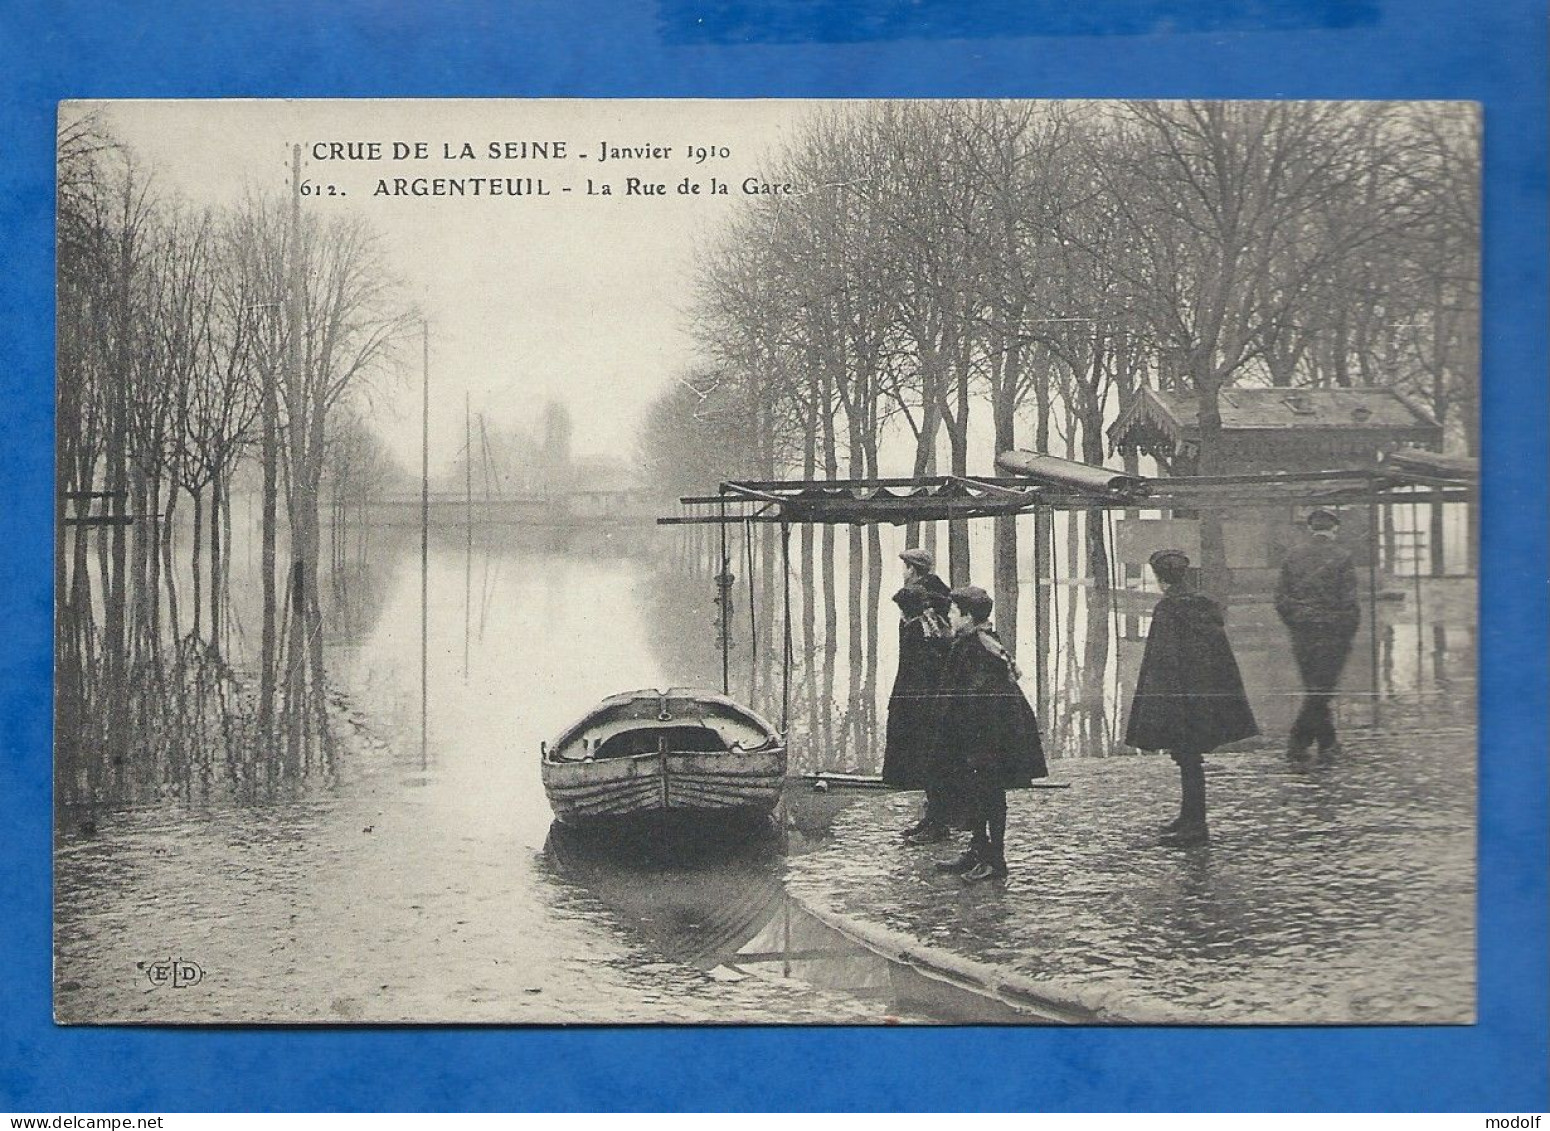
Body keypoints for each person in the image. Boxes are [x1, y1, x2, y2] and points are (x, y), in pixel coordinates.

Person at [1125, 550, 1259, 847]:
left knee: (1187, 759)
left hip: (1179, 699)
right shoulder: (1205, 605)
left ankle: (1196, 825)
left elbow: (1161, 662)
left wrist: (1157, 707)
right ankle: (1190, 816)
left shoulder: (1168, 609)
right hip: (1204, 698)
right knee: (1189, 758)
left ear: (1161, 578)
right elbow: (1220, 658)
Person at [927, 586, 1047, 881]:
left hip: (989, 737)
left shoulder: (982, 648)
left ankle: (996, 859)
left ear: (967, 616)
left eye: (954, 612)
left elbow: (982, 700)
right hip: (972, 736)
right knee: (974, 792)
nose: (949, 616)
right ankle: (977, 849)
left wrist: (971, 739)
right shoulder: (968, 642)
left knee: (991, 794)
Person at [1275, 508, 1361, 767]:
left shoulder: (1292, 557)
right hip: (1333, 633)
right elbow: (1349, 602)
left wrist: (1297, 622)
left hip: (1302, 633)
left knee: (1316, 687)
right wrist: (1346, 632)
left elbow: (1281, 599)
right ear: (1334, 529)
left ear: (1311, 529)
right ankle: (1298, 742)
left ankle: (1327, 742)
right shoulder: (1343, 557)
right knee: (1321, 690)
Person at [882, 584, 950, 817]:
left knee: (916, 753)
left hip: (913, 701)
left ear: (905, 610)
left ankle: (931, 809)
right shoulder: (930, 626)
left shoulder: (914, 630)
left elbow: (910, 670)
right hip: (925, 699)